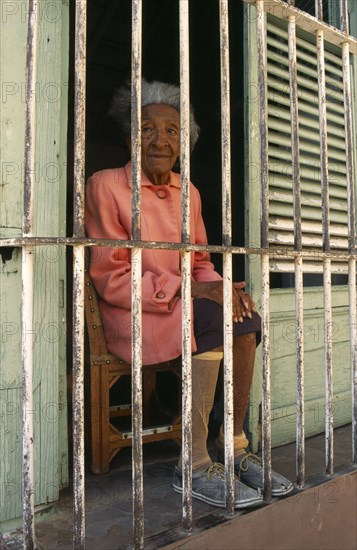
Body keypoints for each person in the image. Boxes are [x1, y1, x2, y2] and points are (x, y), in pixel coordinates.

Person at [85, 78, 293, 509]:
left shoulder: (189, 192)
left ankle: (235, 447)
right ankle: (194, 464)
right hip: (137, 309)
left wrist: (220, 286)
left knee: (243, 314)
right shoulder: (106, 185)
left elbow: (200, 261)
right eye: (147, 128)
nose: (160, 139)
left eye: (172, 131)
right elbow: (112, 276)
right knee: (212, 317)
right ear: (129, 137)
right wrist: (192, 289)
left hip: (184, 302)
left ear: (185, 142)